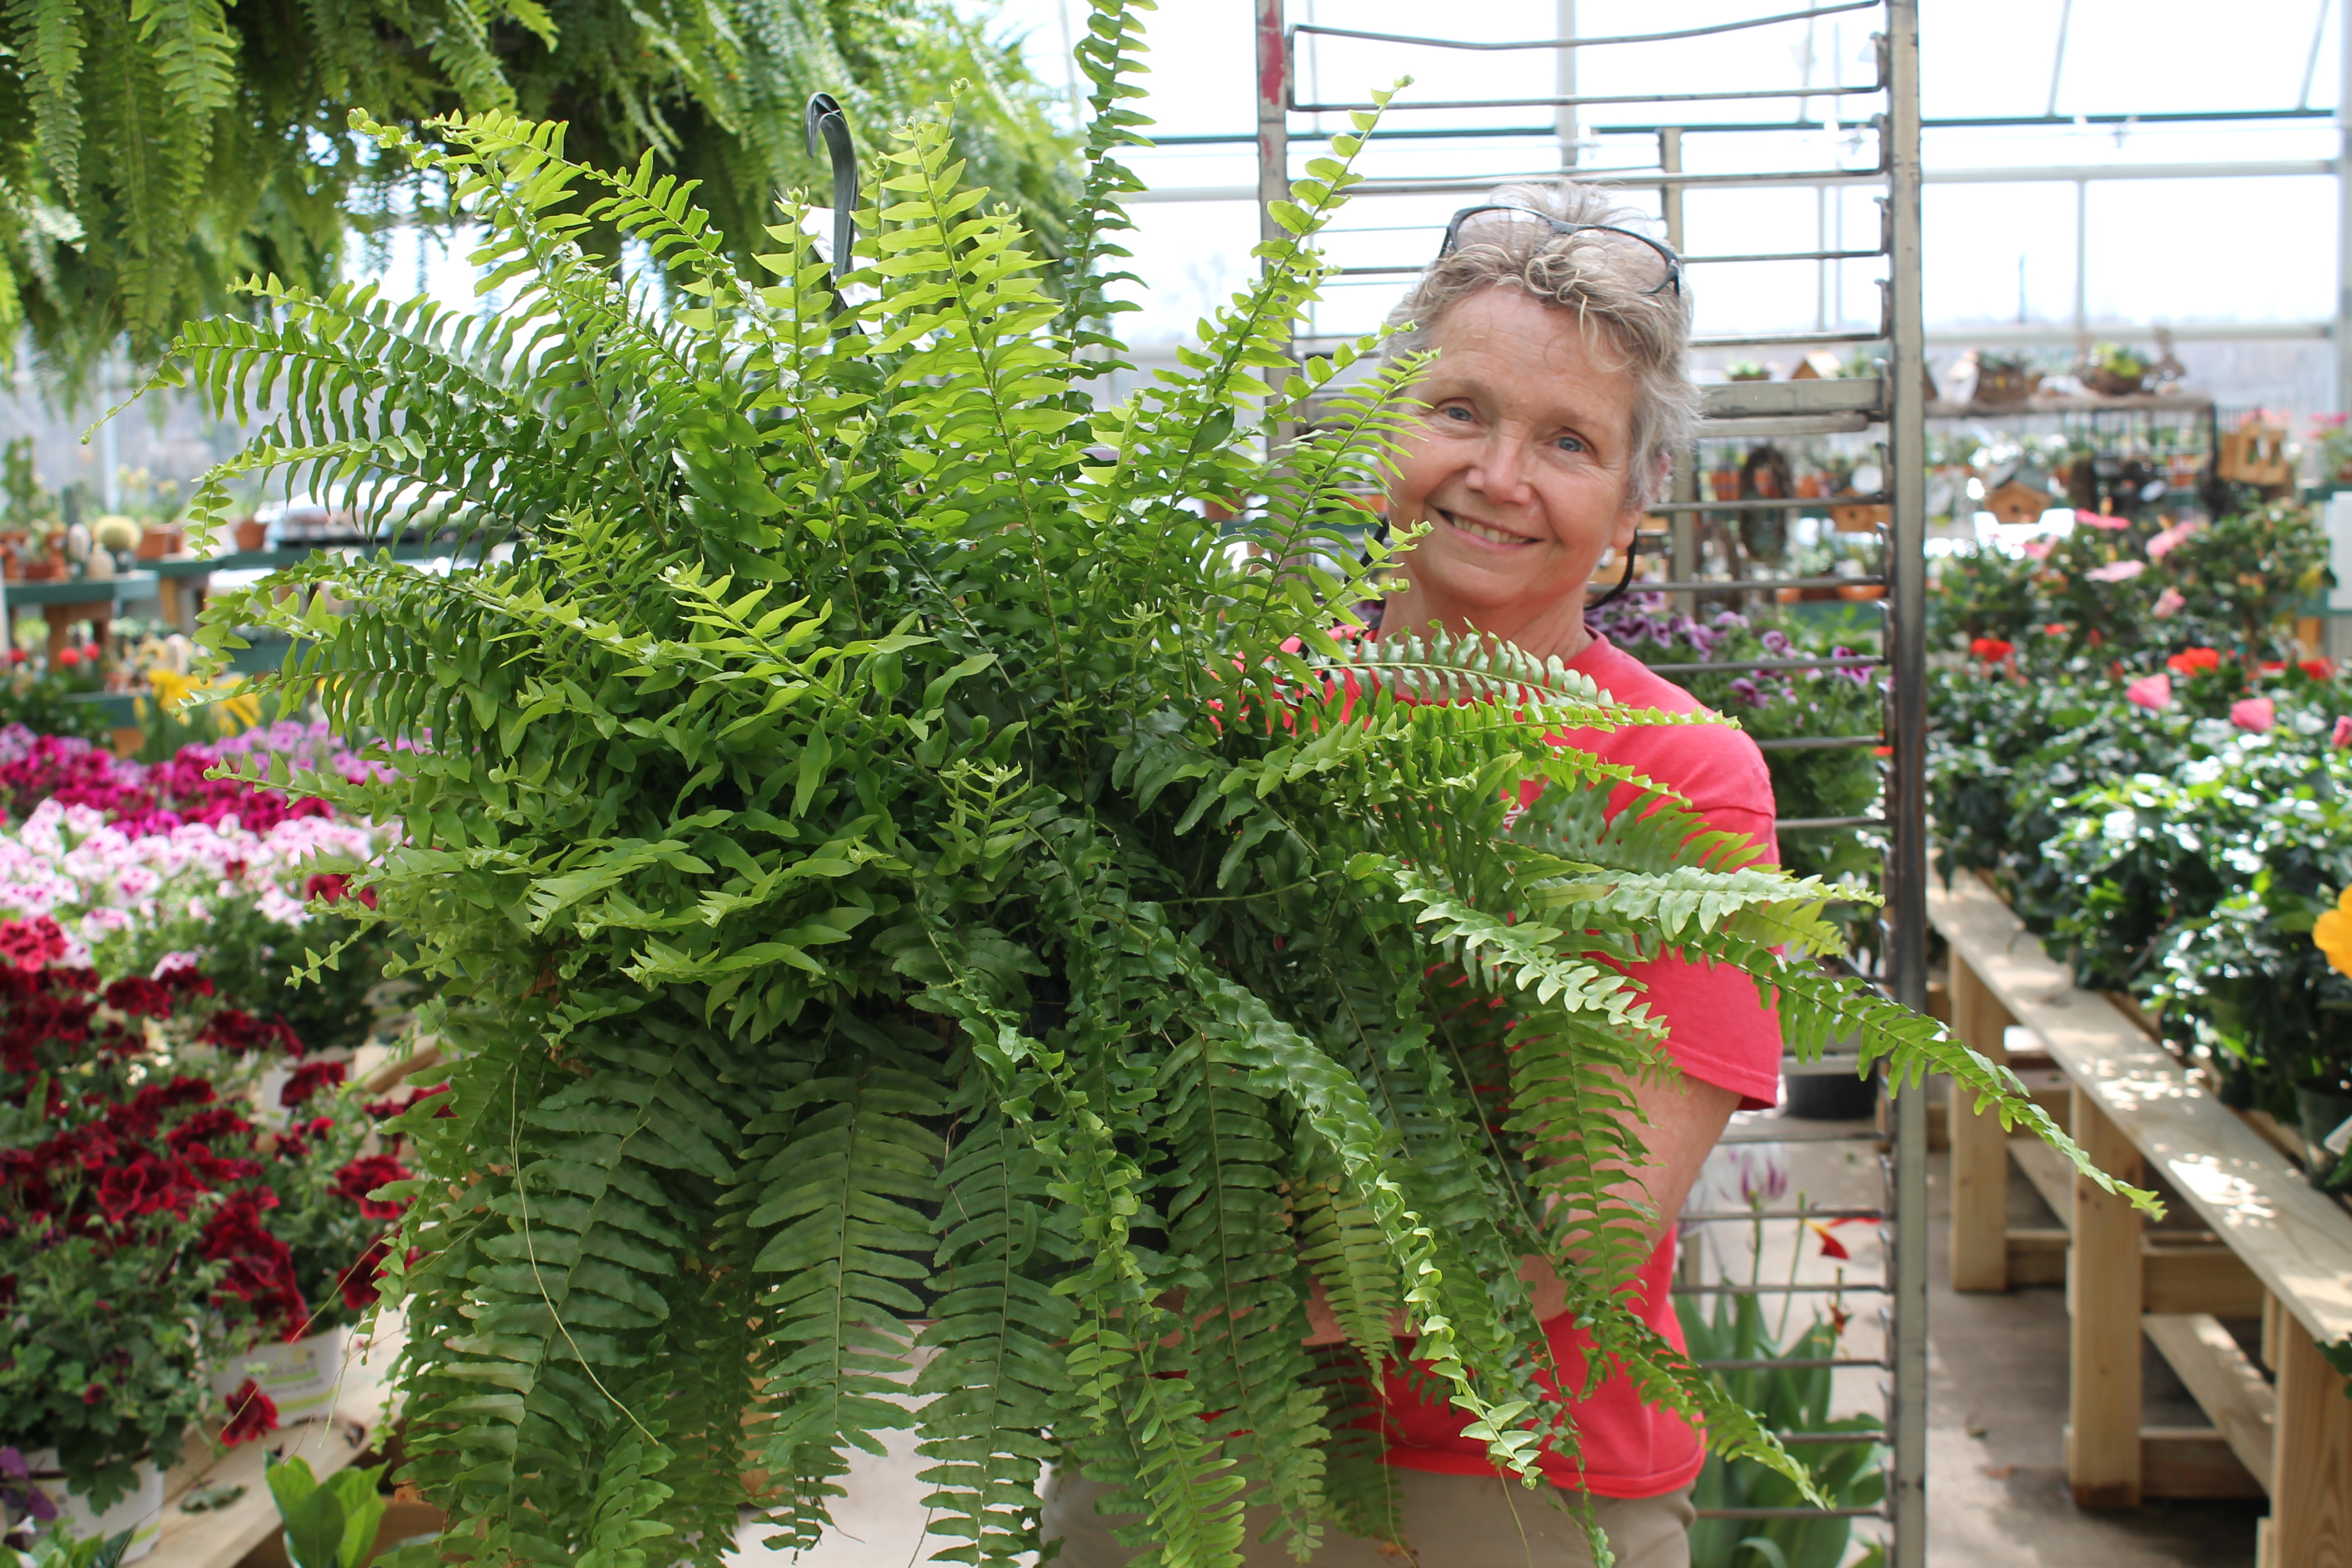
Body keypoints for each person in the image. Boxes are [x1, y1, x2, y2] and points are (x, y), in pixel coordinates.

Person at [1042, 180, 1783, 1568]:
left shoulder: (1681, 775)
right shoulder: (1220, 710)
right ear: (1386, 428)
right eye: (1460, 411)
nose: (1500, 475)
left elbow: (1597, 1222)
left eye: (1568, 440)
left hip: (1510, 1482)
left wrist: (1222, 1299)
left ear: (1635, 503)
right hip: (1183, 1453)